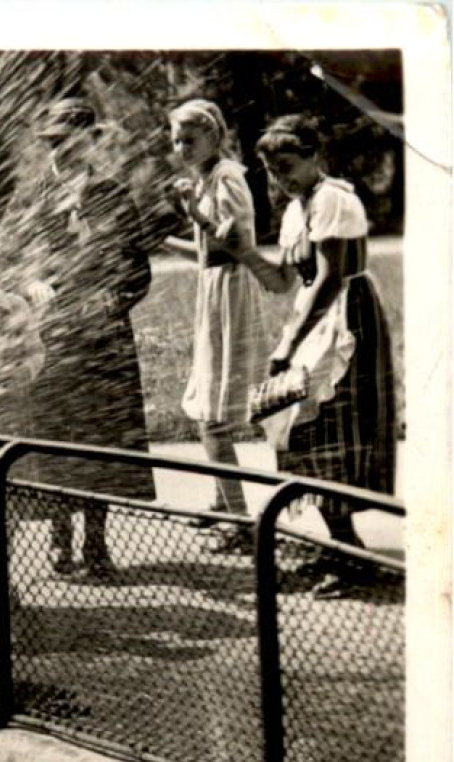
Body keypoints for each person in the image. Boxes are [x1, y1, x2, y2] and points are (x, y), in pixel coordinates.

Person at [227, 114, 398, 598]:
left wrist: (287, 345)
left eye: (289, 165)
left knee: (329, 428)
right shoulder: (295, 210)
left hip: (347, 319)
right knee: (305, 432)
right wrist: (240, 251)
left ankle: (349, 554)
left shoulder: (334, 200)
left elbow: (328, 278)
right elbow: (284, 281)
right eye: (273, 171)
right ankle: (342, 547)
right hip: (314, 318)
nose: (282, 178)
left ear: (314, 156)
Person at [6, 97, 155, 582]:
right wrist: (29, 286)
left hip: (102, 337)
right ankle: (59, 541)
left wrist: (112, 300)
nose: (62, 151)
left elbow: (137, 267)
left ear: (92, 139)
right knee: (53, 433)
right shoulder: (30, 196)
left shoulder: (112, 194)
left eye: (72, 141)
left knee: (100, 435)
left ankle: (96, 541)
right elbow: (7, 258)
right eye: (53, 142)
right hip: (49, 336)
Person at [160, 99, 270, 555]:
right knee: (210, 409)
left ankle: (240, 518)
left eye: (189, 139)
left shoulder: (227, 178)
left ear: (214, 137)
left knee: (214, 414)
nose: (180, 147)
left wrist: (194, 214)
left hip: (231, 295)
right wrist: (162, 239)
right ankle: (225, 502)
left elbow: (238, 242)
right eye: (175, 140)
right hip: (215, 289)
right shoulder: (207, 178)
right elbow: (208, 252)